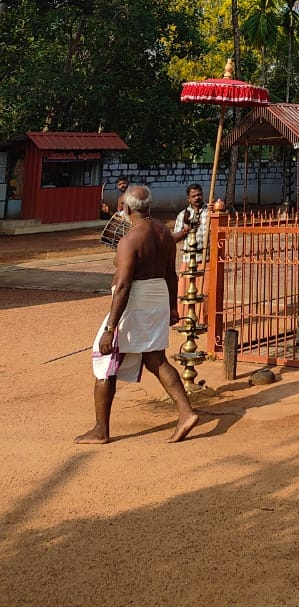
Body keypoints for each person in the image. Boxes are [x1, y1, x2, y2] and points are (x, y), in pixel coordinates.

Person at [76, 183, 198, 445]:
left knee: (104, 362)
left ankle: (101, 430)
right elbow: (170, 274)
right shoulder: (164, 234)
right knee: (155, 359)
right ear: (148, 206)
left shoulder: (129, 240)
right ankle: (186, 413)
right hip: (158, 300)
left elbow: (123, 286)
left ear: (127, 208)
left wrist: (110, 328)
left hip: (135, 304)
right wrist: (174, 307)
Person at [173, 184, 209, 326]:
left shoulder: (210, 212)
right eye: (194, 196)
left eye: (199, 195)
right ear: (188, 198)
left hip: (205, 258)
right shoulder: (183, 215)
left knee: (204, 293)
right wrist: (186, 231)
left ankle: (202, 321)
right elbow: (174, 238)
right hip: (188, 259)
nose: (197, 198)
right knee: (184, 293)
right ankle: (183, 321)